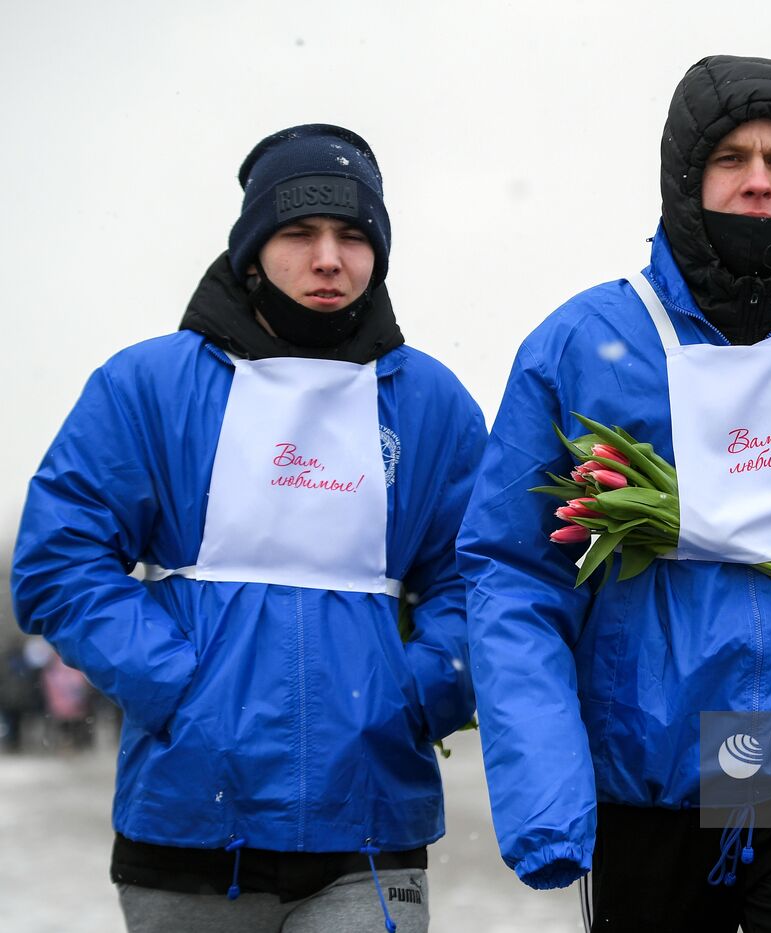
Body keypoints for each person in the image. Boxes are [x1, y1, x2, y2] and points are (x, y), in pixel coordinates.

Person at [458, 55, 771, 932]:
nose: (759, 183)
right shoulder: (583, 343)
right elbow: (513, 577)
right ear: (685, 176)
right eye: (733, 159)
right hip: (648, 780)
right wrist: (548, 787)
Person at [12, 124, 486, 933]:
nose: (328, 258)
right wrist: (175, 683)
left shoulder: (430, 402)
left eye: (352, 236)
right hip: (190, 822)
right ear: (253, 248)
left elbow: (483, 574)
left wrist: (421, 687)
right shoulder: (148, 386)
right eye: (299, 233)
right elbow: (60, 559)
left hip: (368, 825)